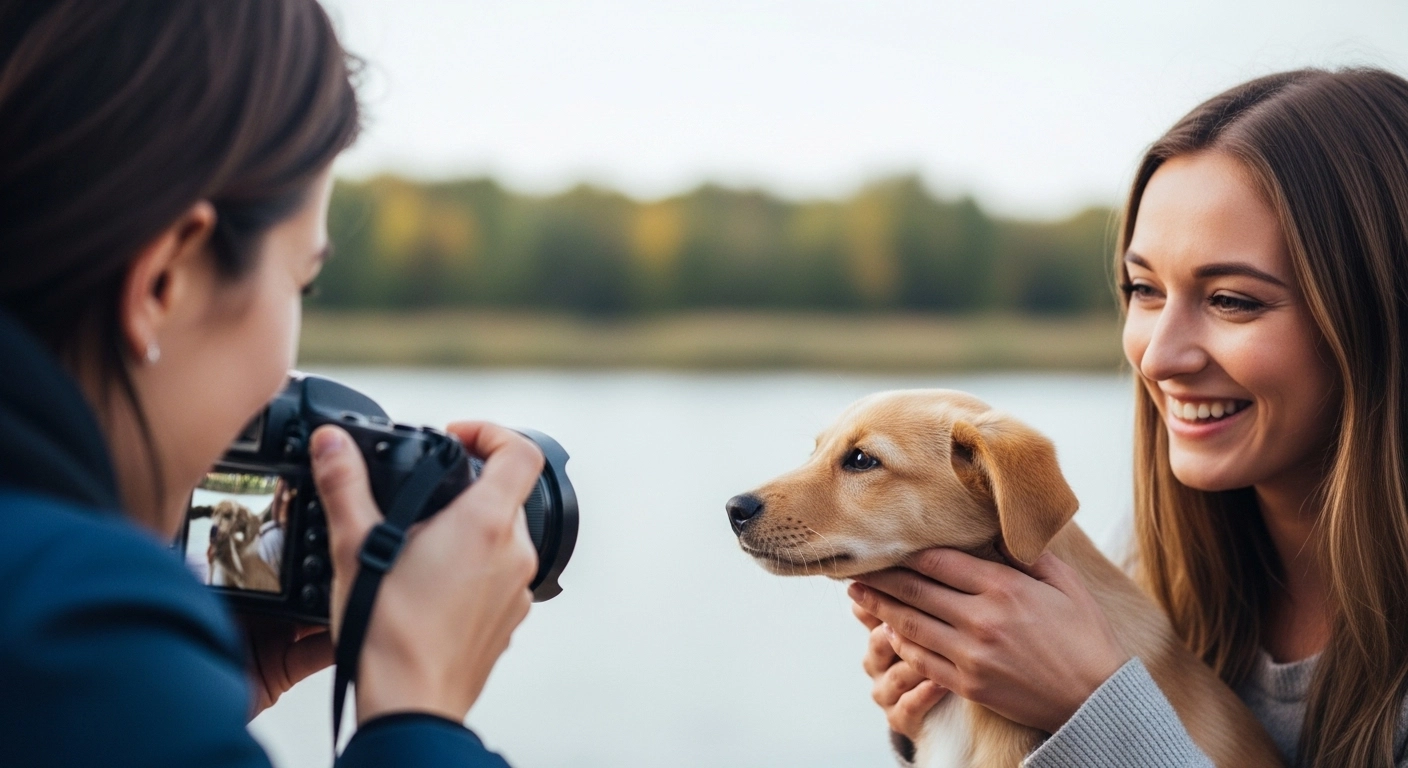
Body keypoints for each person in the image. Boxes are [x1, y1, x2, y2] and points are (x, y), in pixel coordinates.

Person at [0, 2, 543, 766]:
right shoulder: (65, 630)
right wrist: (417, 710)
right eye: (301, 283)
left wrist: (194, 703)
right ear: (163, 281)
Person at [848, 67, 1408, 767]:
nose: (1159, 355)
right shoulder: (1144, 557)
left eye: (1233, 300)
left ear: (1382, 316)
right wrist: (950, 719)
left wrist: (1093, 706)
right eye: (1144, 289)